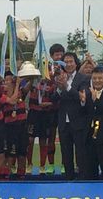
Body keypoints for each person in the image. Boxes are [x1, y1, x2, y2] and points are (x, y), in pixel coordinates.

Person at [55, 52, 89, 180]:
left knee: (81, 153)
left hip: (78, 121)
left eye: (71, 62)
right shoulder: (59, 77)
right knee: (66, 154)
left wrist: (67, 86)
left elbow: (82, 98)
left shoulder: (83, 78)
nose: (68, 64)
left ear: (76, 63)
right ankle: (69, 179)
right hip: (63, 122)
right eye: (66, 62)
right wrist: (59, 88)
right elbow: (53, 99)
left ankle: (82, 180)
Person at [80, 66, 103, 180]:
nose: (97, 81)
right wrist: (83, 102)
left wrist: (96, 100)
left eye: (100, 78)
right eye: (94, 78)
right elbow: (85, 114)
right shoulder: (88, 93)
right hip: (90, 137)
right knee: (90, 170)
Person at [26, 75, 57, 174]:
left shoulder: (51, 83)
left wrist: (49, 104)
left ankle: (42, 166)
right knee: (30, 140)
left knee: (43, 141)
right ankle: (29, 164)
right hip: (33, 113)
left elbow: (56, 100)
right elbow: (25, 90)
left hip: (45, 114)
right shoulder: (33, 80)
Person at [3, 71, 28, 179]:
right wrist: (17, 84)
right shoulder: (3, 93)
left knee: (22, 153)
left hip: (22, 124)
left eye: (10, 80)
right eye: (6, 80)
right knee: (10, 153)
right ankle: (7, 175)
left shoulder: (21, 91)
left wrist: (31, 77)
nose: (8, 82)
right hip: (10, 126)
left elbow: (29, 86)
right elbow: (12, 100)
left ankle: (21, 174)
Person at [46, 43, 65, 174]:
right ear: (52, 56)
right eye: (56, 55)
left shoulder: (67, 69)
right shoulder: (47, 70)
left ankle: (65, 164)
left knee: (65, 138)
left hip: (64, 108)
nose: (58, 57)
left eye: (60, 54)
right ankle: (51, 165)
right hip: (51, 109)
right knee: (51, 137)